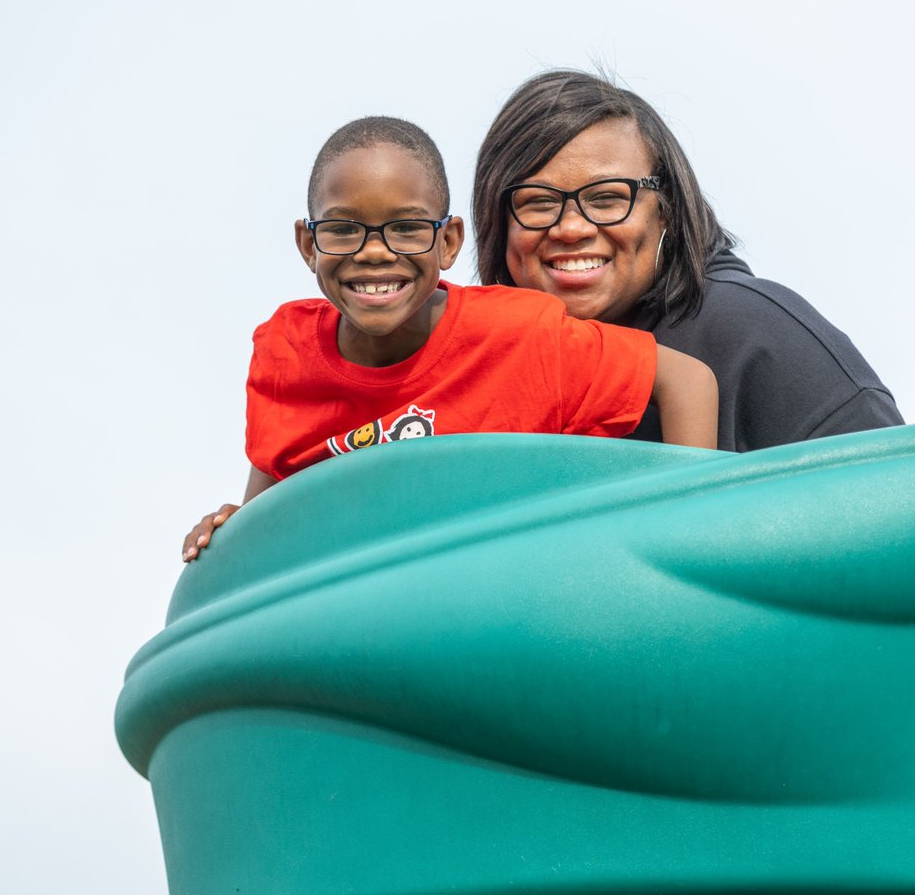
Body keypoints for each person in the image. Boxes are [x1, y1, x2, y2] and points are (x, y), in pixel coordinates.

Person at [182, 116, 718, 561]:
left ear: (448, 242)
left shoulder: (519, 335)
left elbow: (687, 380)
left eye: (408, 228)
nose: (374, 253)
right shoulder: (287, 352)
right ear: (308, 244)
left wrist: (686, 532)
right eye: (343, 230)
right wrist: (238, 536)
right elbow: (274, 488)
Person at [472, 70, 902, 453]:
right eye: (538, 203)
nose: (571, 229)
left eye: (607, 198)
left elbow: (893, 512)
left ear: (668, 209)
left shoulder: (755, 333)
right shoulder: (486, 367)